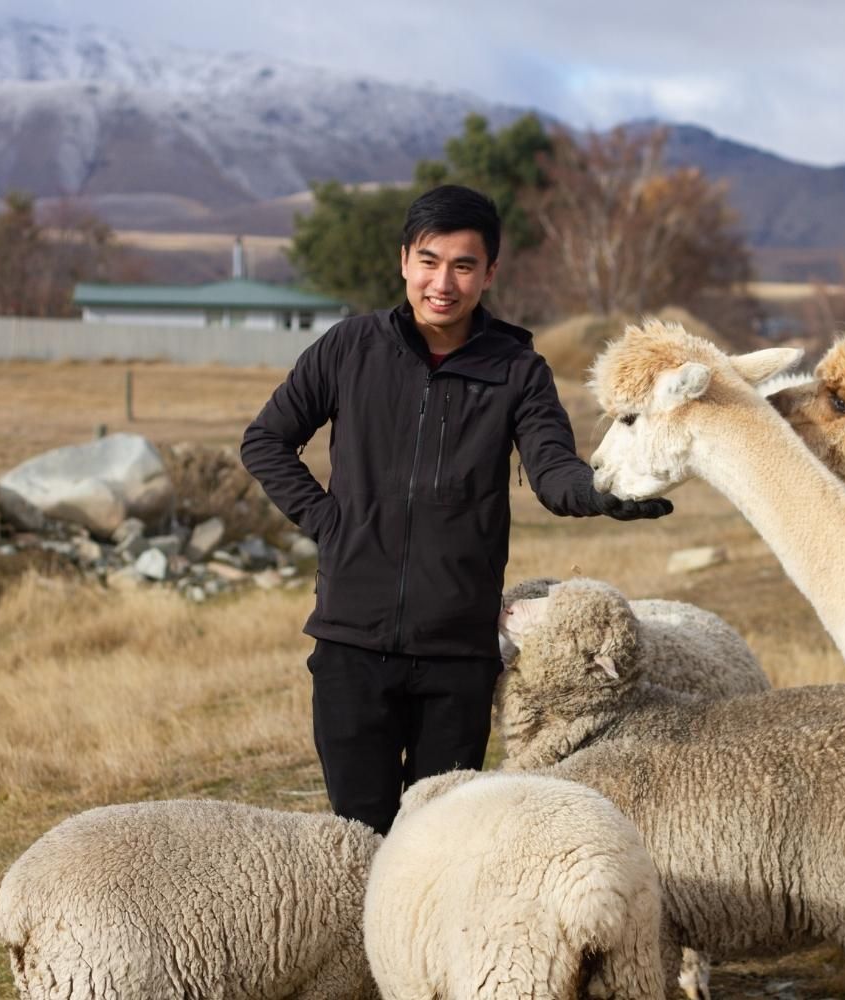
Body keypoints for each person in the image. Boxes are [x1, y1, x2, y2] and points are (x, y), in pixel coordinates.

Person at [241, 184, 670, 834]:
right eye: (430, 261)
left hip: (457, 659)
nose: (443, 282)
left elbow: (554, 473)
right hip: (350, 647)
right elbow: (265, 441)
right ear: (405, 262)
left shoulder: (518, 370)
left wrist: (606, 494)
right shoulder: (349, 348)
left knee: (440, 840)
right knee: (359, 839)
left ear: (489, 272)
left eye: (464, 265)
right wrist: (330, 524)